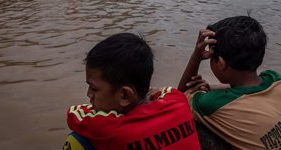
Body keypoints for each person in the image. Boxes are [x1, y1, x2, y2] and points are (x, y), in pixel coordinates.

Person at [178, 16, 281, 150]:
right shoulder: (276, 79)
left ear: (221, 63)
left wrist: (196, 57)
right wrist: (210, 87)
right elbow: (243, 90)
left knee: (194, 122)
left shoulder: (212, 104)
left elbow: (179, 99)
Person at [65, 33, 201, 150]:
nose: (89, 94)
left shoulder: (111, 130)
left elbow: (74, 114)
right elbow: (165, 91)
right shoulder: (178, 101)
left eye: (94, 89)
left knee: (76, 139)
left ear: (125, 95)